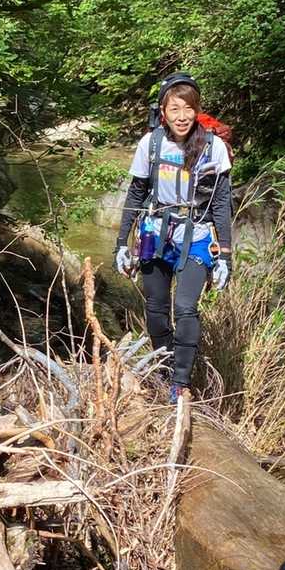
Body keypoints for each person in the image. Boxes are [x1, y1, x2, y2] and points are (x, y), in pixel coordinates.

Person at [113, 73, 234, 403]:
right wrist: (121, 244)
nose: (182, 116)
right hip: (155, 233)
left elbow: (221, 202)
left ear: (197, 110)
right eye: (174, 109)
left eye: (188, 108)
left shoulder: (213, 147)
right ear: (163, 112)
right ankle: (165, 370)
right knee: (155, 308)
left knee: (184, 306)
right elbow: (136, 194)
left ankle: (181, 383)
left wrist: (225, 256)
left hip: (197, 234)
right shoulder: (150, 144)